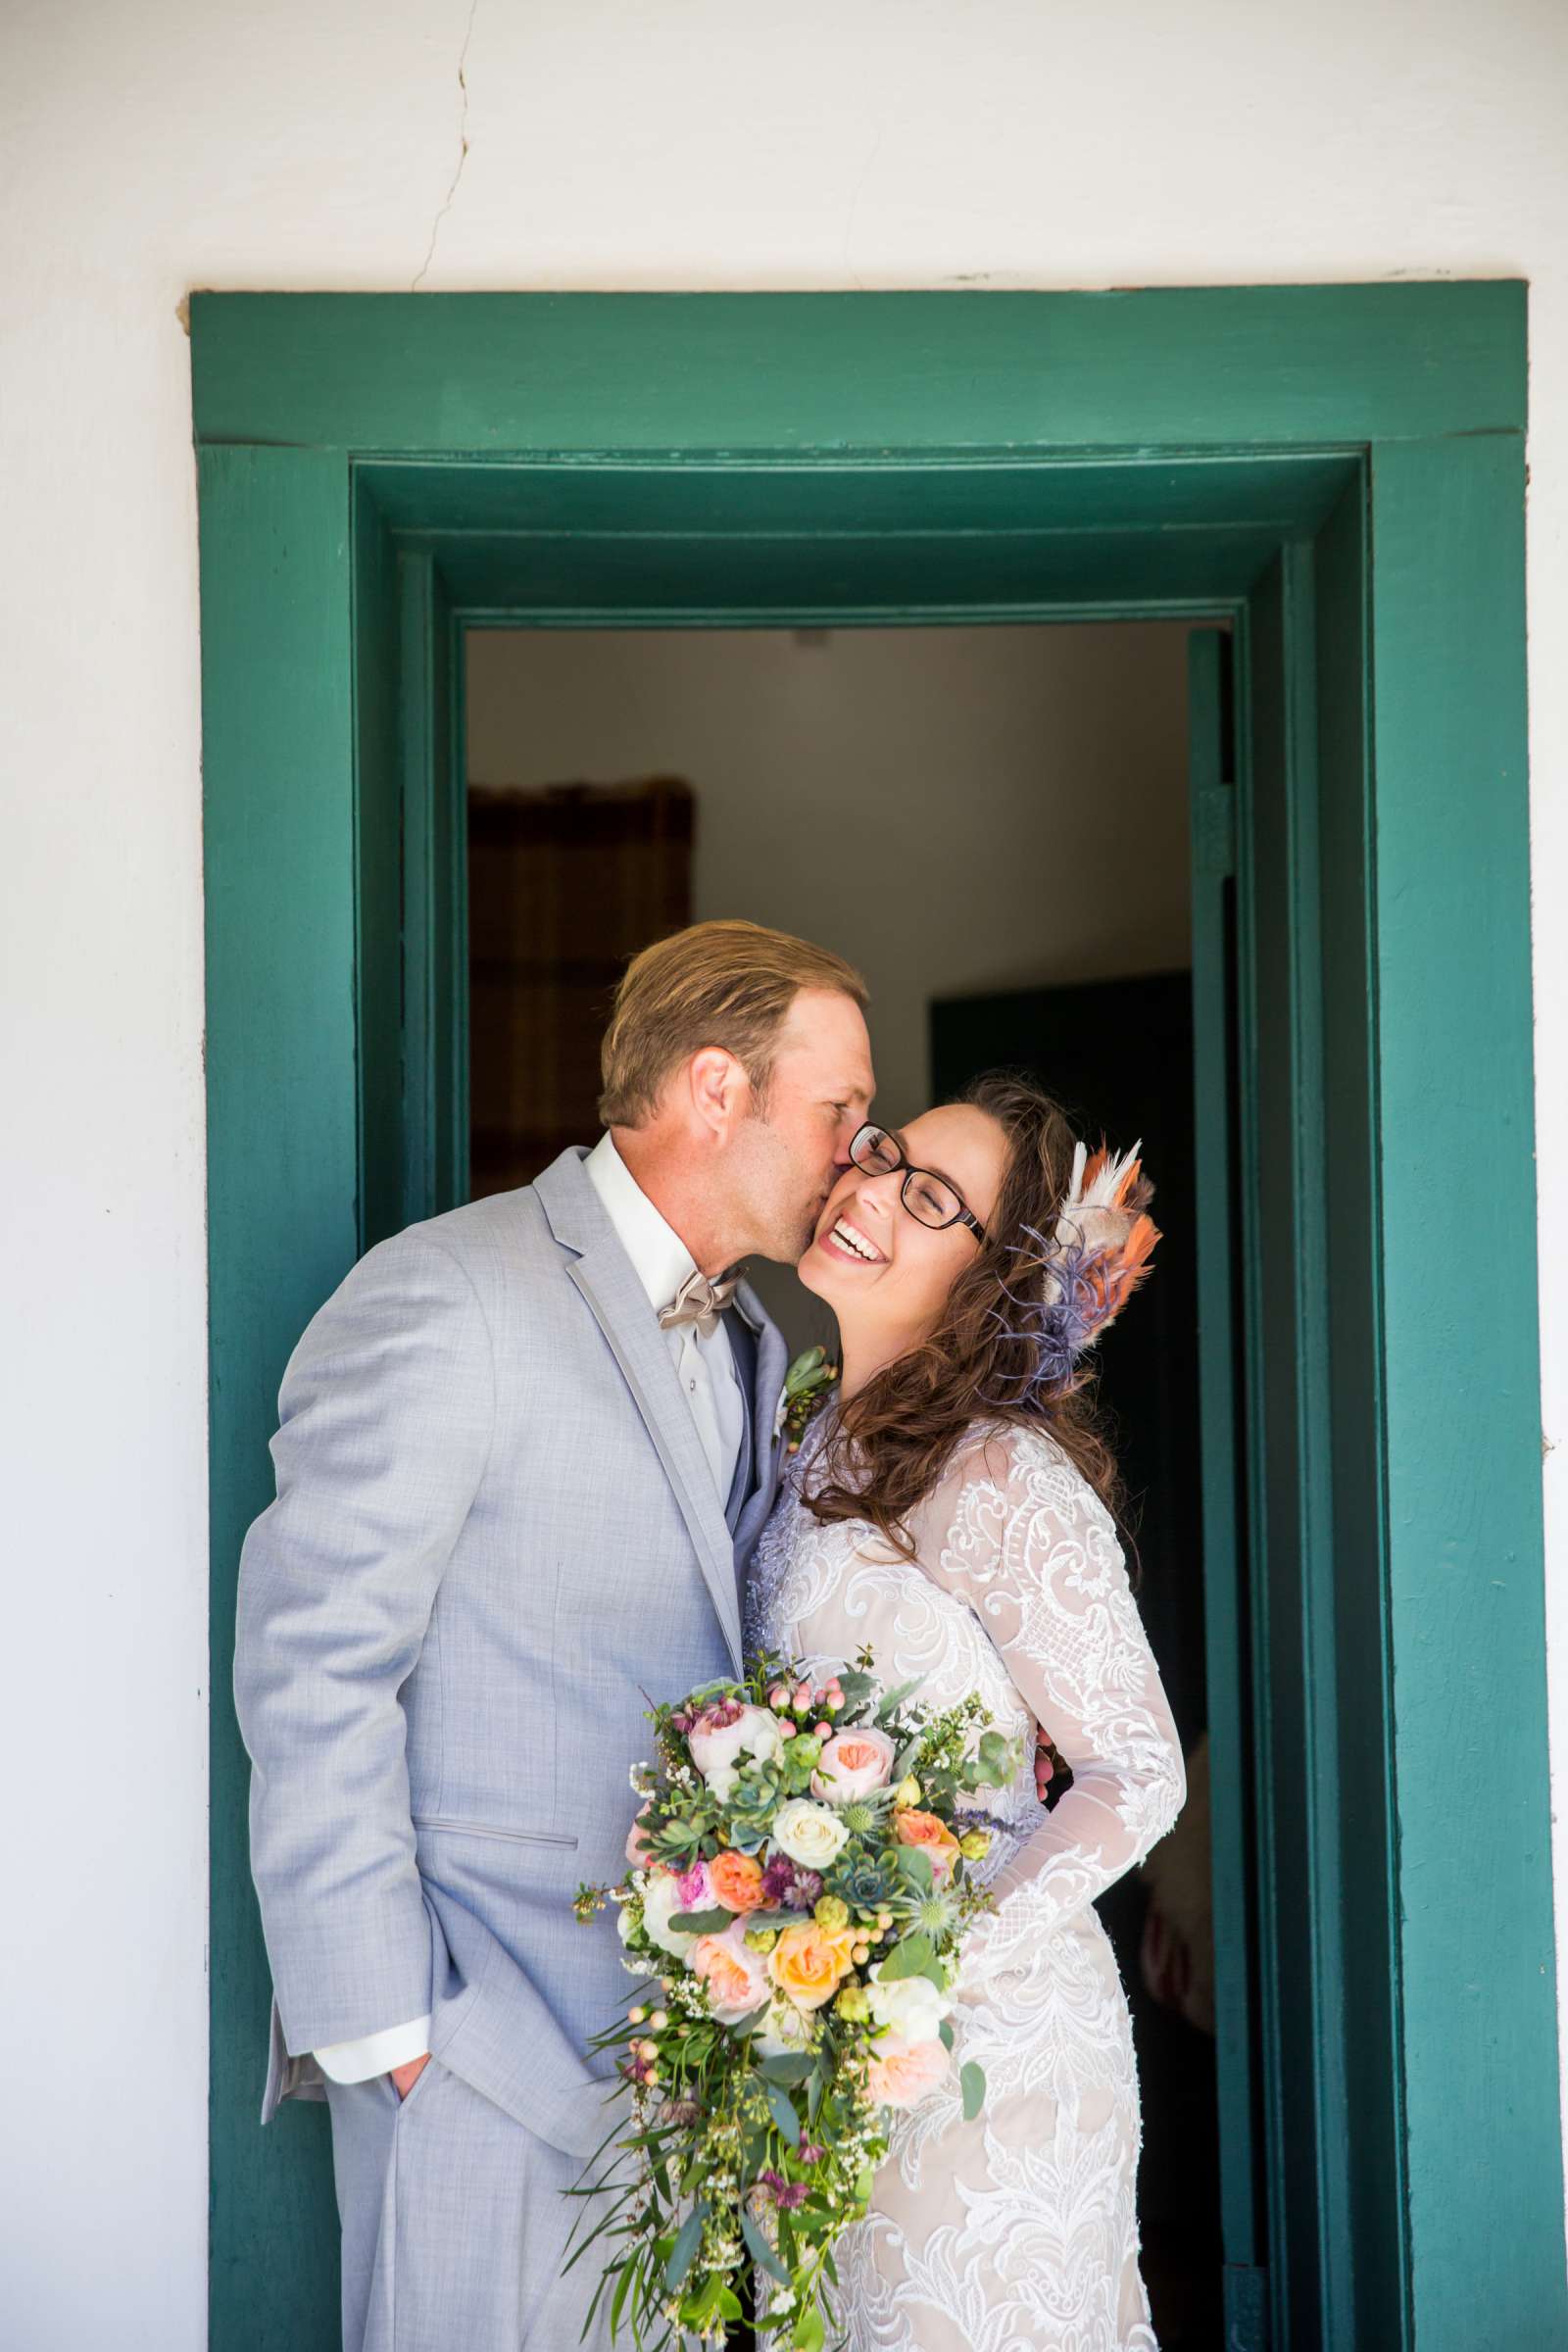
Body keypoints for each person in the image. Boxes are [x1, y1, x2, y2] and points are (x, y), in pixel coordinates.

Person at [233, 919, 874, 2352]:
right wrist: (392, 2041)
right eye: (840, 1108)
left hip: (692, 2099)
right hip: (485, 2074)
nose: (854, 1148)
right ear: (720, 1089)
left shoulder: (766, 1338)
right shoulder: (447, 1295)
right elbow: (315, 1662)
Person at [746, 1070, 1186, 2350]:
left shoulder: (992, 1465)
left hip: (991, 2064)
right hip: (825, 2056)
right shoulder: (803, 1435)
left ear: (997, 1276)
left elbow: (1138, 1773)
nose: (871, 1186)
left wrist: (929, 1969)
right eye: (881, 1154)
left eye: (928, 1194)